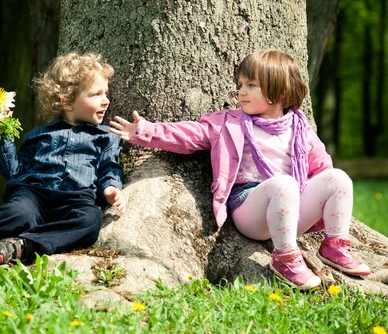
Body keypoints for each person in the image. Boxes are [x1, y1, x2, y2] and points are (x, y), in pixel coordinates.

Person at [109, 49, 370, 290]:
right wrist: (143, 131)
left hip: (291, 210)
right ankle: (286, 258)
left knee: (339, 178)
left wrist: (322, 206)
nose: (241, 92)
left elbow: (323, 172)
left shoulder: (300, 131)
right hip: (249, 207)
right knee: (284, 184)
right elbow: (188, 135)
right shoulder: (230, 124)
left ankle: (335, 246)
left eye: (251, 86)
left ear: (279, 92)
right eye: (241, 85)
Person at [0, 52, 126, 270]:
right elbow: (15, 172)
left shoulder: (106, 136)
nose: (106, 100)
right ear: (67, 101)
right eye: (96, 94)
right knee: (17, 213)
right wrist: (1, 134)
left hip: (76, 198)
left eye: (106, 93)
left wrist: (111, 187)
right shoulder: (39, 135)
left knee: (90, 220)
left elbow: (110, 166)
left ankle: (21, 245)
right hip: (34, 194)